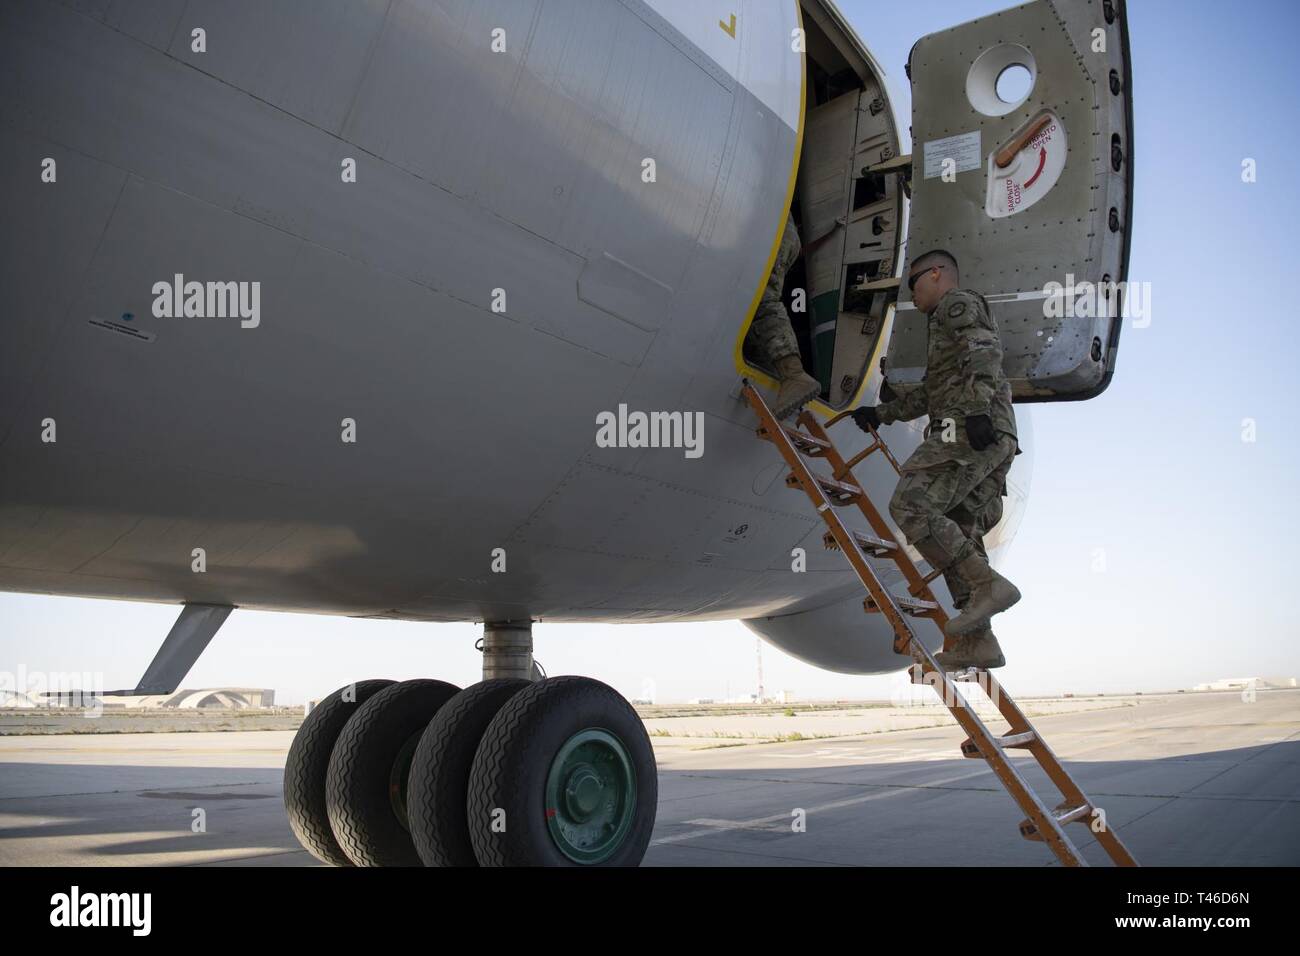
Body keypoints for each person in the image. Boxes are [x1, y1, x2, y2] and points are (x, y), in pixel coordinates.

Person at [851, 250, 1021, 670]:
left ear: (937, 273)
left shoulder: (955, 304)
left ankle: (989, 586)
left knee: (910, 506)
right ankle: (977, 644)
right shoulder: (939, 327)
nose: (913, 293)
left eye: (914, 283)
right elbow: (931, 394)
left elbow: (985, 350)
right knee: (956, 529)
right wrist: (880, 414)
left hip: (971, 426)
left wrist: (980, 408)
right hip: (980, 430)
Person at [746, 212, 821, 419]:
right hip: (779, 230)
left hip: (776, 230)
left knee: (762, 298)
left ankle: (792, 374)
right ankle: (776, 372)